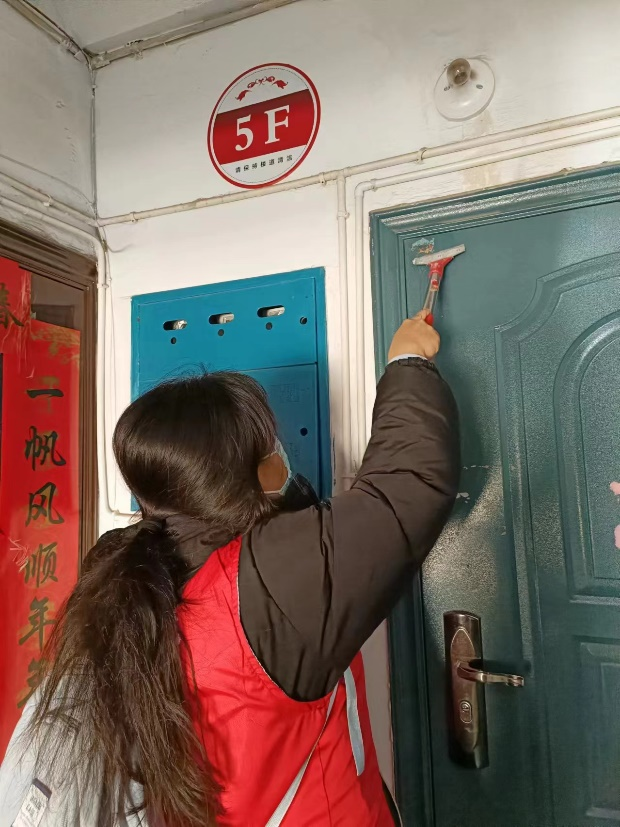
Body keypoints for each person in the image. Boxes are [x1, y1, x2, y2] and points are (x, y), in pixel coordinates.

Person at [0, 309, 459, 827]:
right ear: (248, 473)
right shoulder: (270, 582)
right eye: (270, 446)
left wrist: (273, 496)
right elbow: (407, 485)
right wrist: (407, 360)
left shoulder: (117, 567)